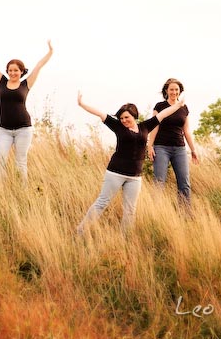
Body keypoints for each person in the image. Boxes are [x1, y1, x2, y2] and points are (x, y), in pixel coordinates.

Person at [76, 91, 185, 235]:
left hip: (135, 177)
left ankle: (125, 239)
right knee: (102, 202)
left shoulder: (145, 127)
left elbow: (163, 114)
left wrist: (178, 105)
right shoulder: (118, 127)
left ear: (134, 116)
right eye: (121, 118)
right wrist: (82, 104)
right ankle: (81, 231)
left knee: (130, 210)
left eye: (126, 117)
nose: (124, 120)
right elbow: (100, 113)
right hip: (115, 173)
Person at [0, 36, 53, 180]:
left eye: (16, 70)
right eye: (10, 70)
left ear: (21, 71)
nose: (12, 73)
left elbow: (39, 65)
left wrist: (50, 51)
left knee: (20, 163)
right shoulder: (0, 81)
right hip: (4, 130)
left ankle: (21, 191)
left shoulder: (26, 84)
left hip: (24, 129)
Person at [147, 78, 199, 207]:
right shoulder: (160, 106)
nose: (174, 92)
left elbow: (186, 130)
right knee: (159, 182)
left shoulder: (184, 108)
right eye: (171, 89)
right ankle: (156, 212)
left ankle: (185, 214)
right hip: (161, 148)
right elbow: (154, 127)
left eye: (176, 89)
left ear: (180, 91)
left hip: (179, 149)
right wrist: (149, 146)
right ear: (166, 90)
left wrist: (193, 150)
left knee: (184, 183)